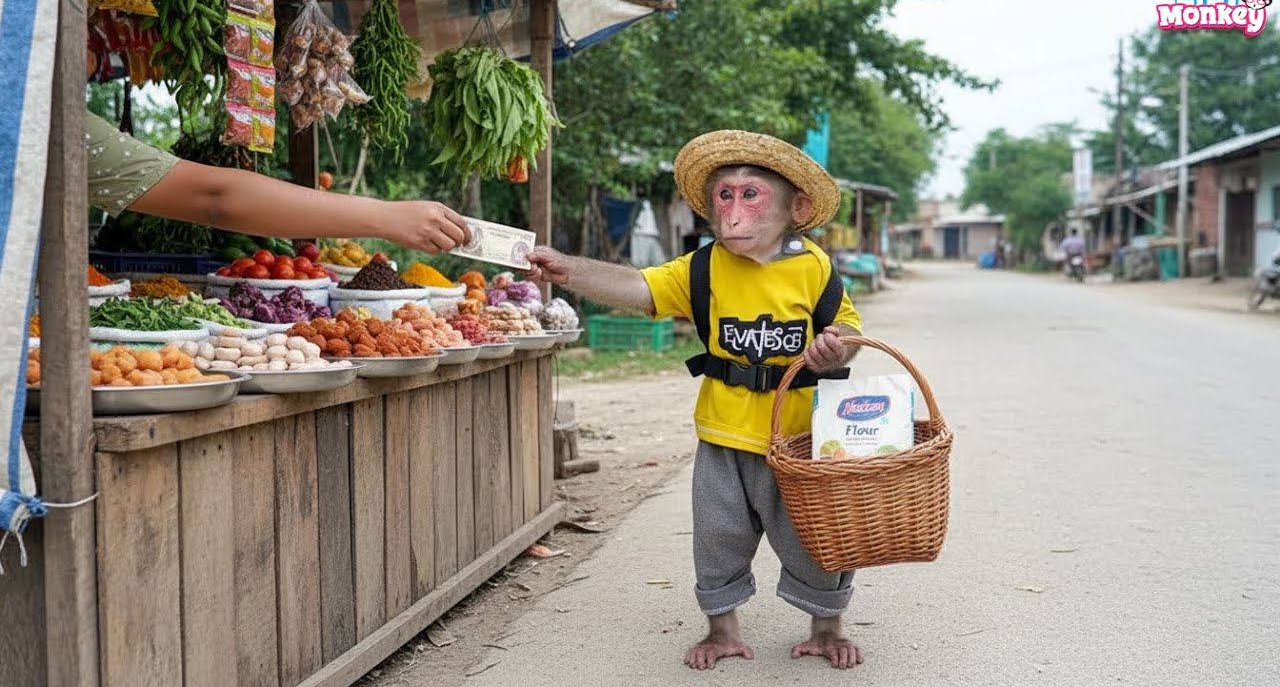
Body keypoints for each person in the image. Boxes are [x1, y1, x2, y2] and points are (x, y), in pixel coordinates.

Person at [525, 130, 865, 671]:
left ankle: (827, 628)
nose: (732, 209)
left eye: (750, 194)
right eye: (723, 196)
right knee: (717, 535)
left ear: (794, 207)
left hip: (798, 441)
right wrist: (569, 268)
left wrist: (833, 350)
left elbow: (846, 329)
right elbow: (638, 287)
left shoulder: (815, 268)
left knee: (814, 538)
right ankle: (721, 630)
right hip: (722, 435)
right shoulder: (701, 268)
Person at [85, 49, 470, 254]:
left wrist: (389, 218)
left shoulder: (57, 125)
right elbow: (216, 198)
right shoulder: (58, 130)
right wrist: (387, 218)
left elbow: (217, 197)